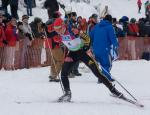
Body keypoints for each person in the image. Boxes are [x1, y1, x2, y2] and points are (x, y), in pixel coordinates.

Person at [53, 18, 123, 102]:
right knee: (63, 73)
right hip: (73, 54)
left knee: (97, 72)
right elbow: (66, 44)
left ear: (63, 26)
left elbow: (88, 39)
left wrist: (85, 47)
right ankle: (67, 94)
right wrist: (66, 55)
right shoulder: (59, 35)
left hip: (83, 53)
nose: (58, 31)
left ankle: (113, 90)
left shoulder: (72, 31)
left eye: (59, 29)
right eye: (56, 30)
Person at [90, 14, 119, 83]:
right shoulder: (109, 27)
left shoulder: (97, 26)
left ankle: (101, 77)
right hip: (105, 49)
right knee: (106, 64)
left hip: (95, 49)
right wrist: (116, 45)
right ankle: (105, 78)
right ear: (110, 20)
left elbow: (90, 36)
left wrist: (91, 45)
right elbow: (113, 38)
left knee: (100, 64)